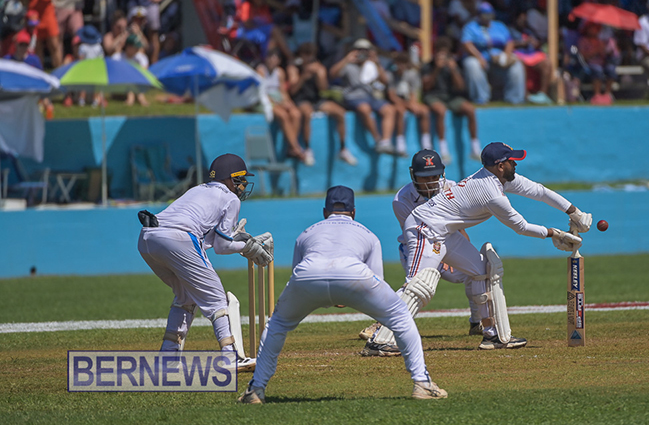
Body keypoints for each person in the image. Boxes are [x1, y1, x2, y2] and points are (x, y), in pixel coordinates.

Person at [367, 142, 588, 352]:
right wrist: (554, 233)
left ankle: (491, 335)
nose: (516, 164)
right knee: (418, 286)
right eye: (512, 160)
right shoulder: (492, 194)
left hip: (445, 232)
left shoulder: (500, 178)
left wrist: (573, 212)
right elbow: (520, 227)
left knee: (481, 272)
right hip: (423, 228)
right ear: (501, 166)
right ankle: (380, 340)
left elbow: (539, 191)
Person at [238, 185, 447, 403]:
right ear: (354, 212)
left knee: (277, 325)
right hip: (354, 275)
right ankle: (422, 383)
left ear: (324, 211)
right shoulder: (368, 234)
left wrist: (326, 294)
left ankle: (256, 389)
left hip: (308, 276)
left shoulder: (306, 233)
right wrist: (348, 294)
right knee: (401, 316)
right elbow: (377, 280)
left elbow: (297, 274)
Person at [137, 154, 273, 372]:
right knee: (217, 299)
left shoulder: (198, 189)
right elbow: (222, 246)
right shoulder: (231, 198)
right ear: (229, 179)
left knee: (186, 296)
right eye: (240, 180)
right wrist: (247, 246)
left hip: (147, 238)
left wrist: (238, 241)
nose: (243, 185)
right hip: (177, 238)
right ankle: (231, 357)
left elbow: (214, 237)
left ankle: (167, 357)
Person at [359, 149, 486, 353]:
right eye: (424, 177)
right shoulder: (402, 199)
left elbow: (459, 228)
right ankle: (381, 325)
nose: (431, 181)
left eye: (435, 176)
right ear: (413, 175)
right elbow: (416, 236)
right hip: (415, 246)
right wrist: (439, 255)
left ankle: (477, 322)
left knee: (480, 269)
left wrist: (452, 251)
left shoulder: (452, 188)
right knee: (418, 285)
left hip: (449, 241)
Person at [287, 43, 358, 166]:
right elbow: (292, 90)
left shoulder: (318, 67)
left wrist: (320, 74)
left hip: (316, 99)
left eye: (311, 55)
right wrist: (303, 76)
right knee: (307, 113)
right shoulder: (294, 68)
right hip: (301, 99)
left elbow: (323, 89)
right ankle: (308, 148)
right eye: (306, 55)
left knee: (340, 113)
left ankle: (342, 149)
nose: (308, 58)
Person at [329, 39, 396, 154]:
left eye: (365, 50)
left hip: (369, 96)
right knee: (364, 109)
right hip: (353, 97)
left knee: (389, 110)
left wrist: (377, 63)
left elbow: (385, 81)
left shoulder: (371, 65)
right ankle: (377, 139)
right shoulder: (348, 64)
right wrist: (346, 59)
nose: (362, 53)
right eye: (359, 50)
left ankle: (386, 142)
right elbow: (332, 74)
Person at [421, 37, 482, 162]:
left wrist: (454, 70)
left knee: (470, 110)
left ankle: (475, 147)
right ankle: (443, 150)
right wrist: (437, 69)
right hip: (433, 96)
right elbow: (426, 87)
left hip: (451, 97)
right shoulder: (428, 66)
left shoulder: (453, 66)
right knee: (441, 111)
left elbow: (460, 87)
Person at [461, 2, 526, 105]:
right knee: (471, 63)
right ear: (479, 15)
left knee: (517, 65)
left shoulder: (499, 26)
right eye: (484, 14)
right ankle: (481, 98)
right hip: (482, 60)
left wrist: (506, 55)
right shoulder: (471, 27)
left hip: (499, 61)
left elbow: (509, 42)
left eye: (489, 14)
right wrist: (479, 57)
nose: (487, 17)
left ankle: (515, 98)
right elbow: (466, 43)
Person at [257, 50, 307, 163]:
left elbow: (283, 92)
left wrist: (288, 102)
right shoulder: (261, 70)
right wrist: (277, 102)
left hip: (277, 98)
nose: (272, 60)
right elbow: (262, 92)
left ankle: (291, 147)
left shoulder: (280, 72)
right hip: (264, 99)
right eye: (270, 57)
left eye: (275, 58)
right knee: (283, 116)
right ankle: (296, 147)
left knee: (296, 113)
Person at [386, 52, 431, 157]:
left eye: (403, 63)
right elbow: (391, 95)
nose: (401, 66)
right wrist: (406, 104)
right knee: (401, 111)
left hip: (408, 101)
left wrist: (413, 104)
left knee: (424, 111)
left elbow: (413, 94)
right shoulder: (391, 75)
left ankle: (426, 143)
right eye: (399, 63)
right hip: (396, 102)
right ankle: (400, 143)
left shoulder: (411, 75)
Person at [577, 22, 619, 105]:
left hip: (602, 63)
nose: (595, 30)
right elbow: (583, 56)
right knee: (597, 70)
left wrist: (607, 50)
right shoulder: (583, 41)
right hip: (588, 65)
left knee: (611, 69)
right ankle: (597, 94)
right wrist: (596, 51)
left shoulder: (600, 41)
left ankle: (607, 94)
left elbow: (606, 55)